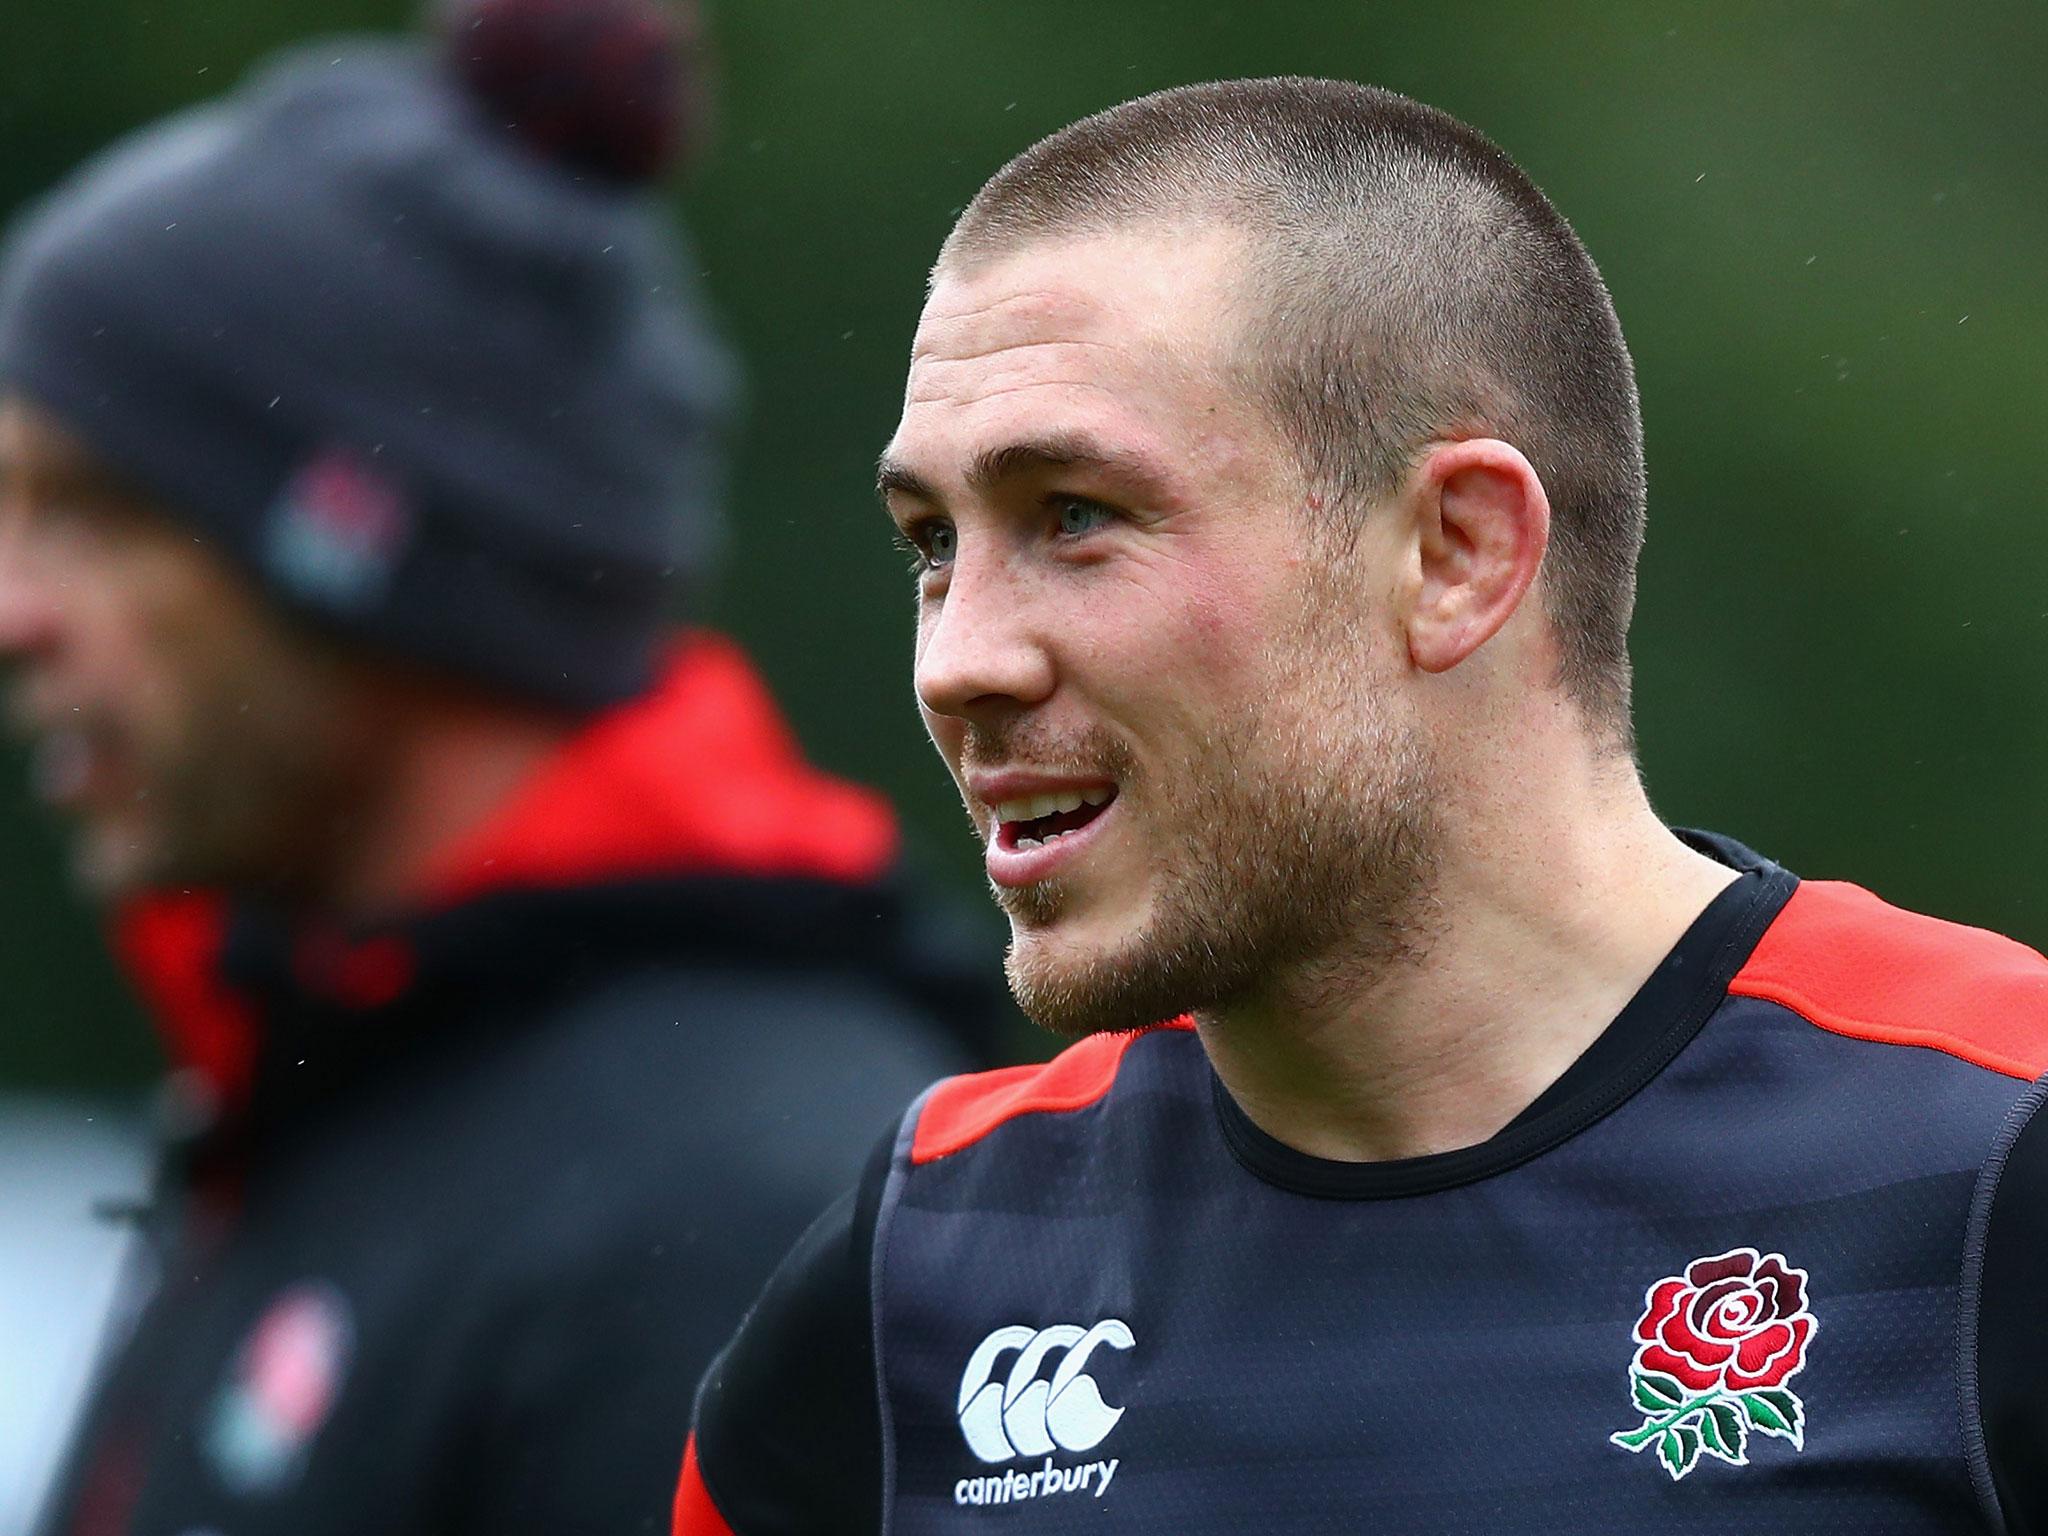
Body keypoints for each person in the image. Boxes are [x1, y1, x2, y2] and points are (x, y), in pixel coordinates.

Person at [673, 77, 2048, 1534]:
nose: (959, 662)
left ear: (1456, 554)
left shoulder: (1993, 1152)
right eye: (933, 543)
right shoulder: (916, 1277)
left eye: (1076, 515)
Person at [0, 4, 999, 1534]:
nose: (15, 613)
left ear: (362, 552)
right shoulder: (327, 1087)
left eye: (95, 514)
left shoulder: (738, 1205)